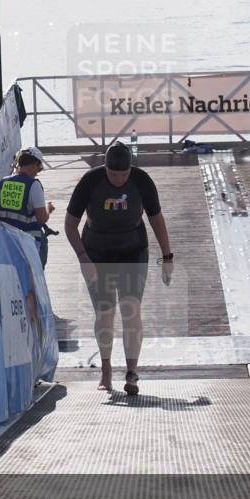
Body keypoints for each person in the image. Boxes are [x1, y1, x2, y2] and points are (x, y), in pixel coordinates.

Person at [64, 142, 173, 395]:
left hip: (133, 250)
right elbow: (70, 224)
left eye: (124, 175)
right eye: (114, 175)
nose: (119, 180)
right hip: (96, 252)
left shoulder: (142, 181)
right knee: (105, 312)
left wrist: (167, 257)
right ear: (106, 168)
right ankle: (106, 370)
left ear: (130, 169)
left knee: (131, 309)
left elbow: (156, 219)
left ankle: (132, 372)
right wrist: (83, 258)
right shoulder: (90, 181)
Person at [0, 147, 55, 268]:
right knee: (43, 243)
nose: (37, 172)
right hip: (28, 242)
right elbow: (42, 218)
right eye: (39, 168)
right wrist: (48, 209)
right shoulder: (34, 185)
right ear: (34, 165)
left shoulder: (4, 182)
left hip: (6, 240)